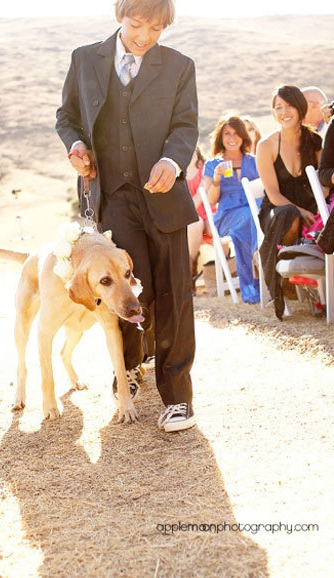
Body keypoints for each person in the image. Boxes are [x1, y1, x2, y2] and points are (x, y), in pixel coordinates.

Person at [55, 0, 199, 432]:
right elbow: (68, 118)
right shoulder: (85, 59)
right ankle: (129, 370)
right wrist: (76, 147)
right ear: (121, 15)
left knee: (174, 293)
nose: (144, 36)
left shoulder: (180, 66)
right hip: (112, 199)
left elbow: (186, 126)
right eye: (138, 24)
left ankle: (177, 398)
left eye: (156, 29)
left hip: (164, 197)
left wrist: (172, 163)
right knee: (129, 291)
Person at [257, 84, 322, 319]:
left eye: (289, 106)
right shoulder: (266, 146)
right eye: (278, 107)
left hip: (312, 208)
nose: (284, 112)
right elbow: (273, 193)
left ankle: (312, 282)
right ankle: (284, 279)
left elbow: (322, 182)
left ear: (300, 107)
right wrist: (300, 210)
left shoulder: (314, 141)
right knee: (289, 215)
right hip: (277, 212)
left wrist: (318, 207)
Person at [203, 114, 261, 304]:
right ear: (221, 137)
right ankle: (255, 265)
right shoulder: (212, 165)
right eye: (227, 133)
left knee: (255, 214)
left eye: (236, 133)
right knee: (248, 216)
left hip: (255, 214)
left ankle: (258, 261)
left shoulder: (254, 161)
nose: (232, 138)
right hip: (227, 217)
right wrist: (217, 180)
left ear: (243, 136)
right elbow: (211, 201)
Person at [186, 145, 211, 286]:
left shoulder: (206, 167)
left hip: (209, 212)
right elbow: (188, 207)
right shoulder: (177, 171)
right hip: (189, 216)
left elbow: (209, 195)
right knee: (195, 223)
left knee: (209, 226)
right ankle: (190, 273)